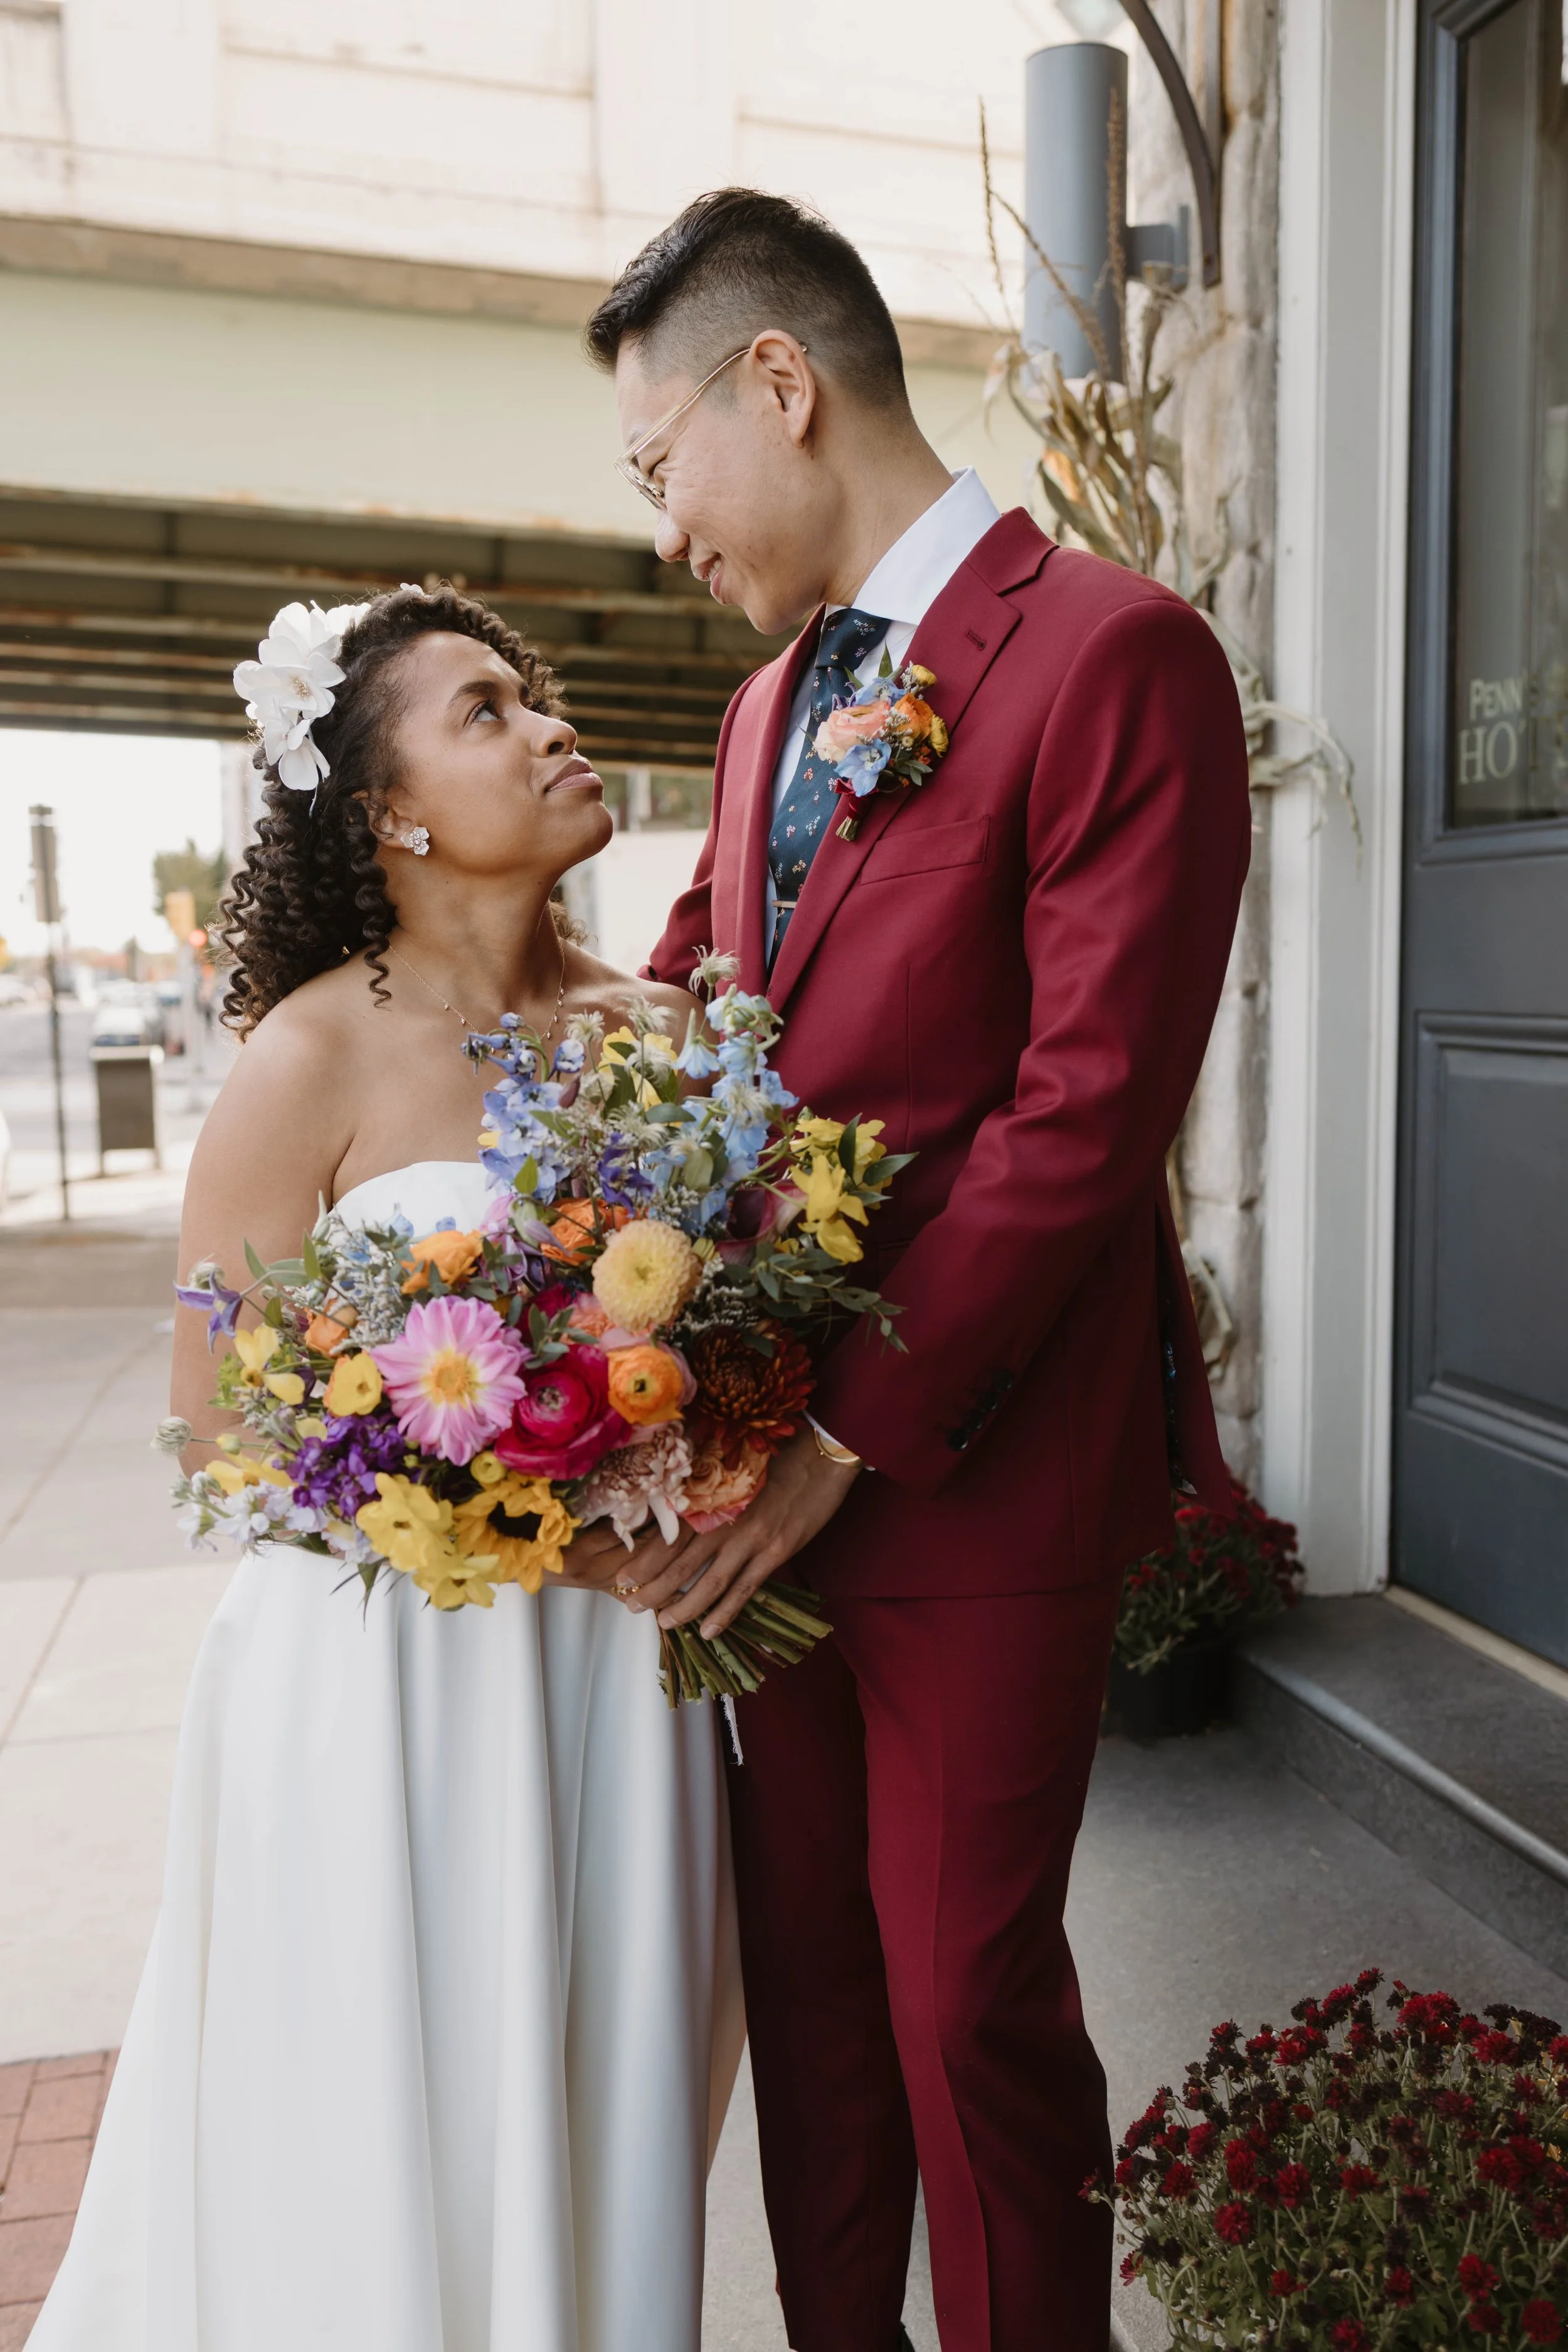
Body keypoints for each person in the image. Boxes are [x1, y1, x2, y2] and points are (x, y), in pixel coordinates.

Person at [585, 190, 1252, 2352]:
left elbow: (1082, 1116)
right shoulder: (767, 707)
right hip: (760, 1486)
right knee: (813, 1992)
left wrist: (848, 1441)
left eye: (655, 463)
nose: (661, 527)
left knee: (968, 2000)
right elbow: (713, 995)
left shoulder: (1113, 651)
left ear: (775, 386)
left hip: (972, 1469)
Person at [29, 586, 743, 2352]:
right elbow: (219, 1422)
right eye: (487, 708)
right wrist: (502, 1516)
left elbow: (736, 1349)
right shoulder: (310, 1052)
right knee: (373, 2137)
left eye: (540, 695)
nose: (550, 725)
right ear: (386, 810)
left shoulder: (663, 1033)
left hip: (622, 1676)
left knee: (601, 2103)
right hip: (384, 1686)